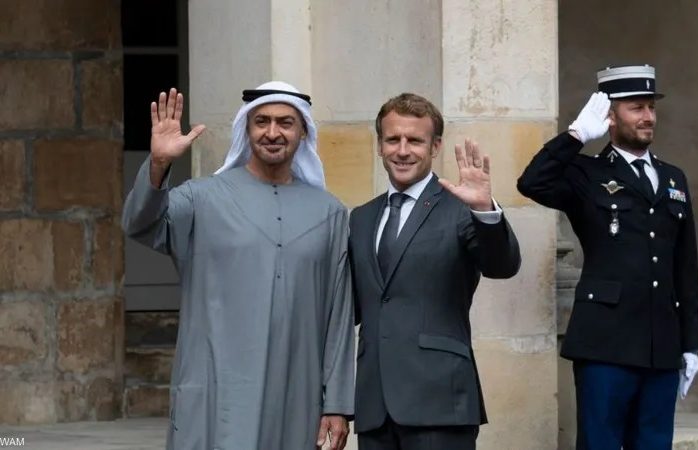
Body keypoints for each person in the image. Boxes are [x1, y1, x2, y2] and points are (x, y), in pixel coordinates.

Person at [122, 81, 354, 450]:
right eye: (261, 121)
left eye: (285, 122)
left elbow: (338, 319)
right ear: (246, 129)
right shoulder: (201, 198)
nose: (272, 132)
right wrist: (159, 164)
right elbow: (140, 224)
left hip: (296, 398)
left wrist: (338, 404)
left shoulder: (330, 214)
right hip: (216, 398)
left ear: (303, 132)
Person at [517, 65, 698, 450]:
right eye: (636, 107)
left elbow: (685, 266)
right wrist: (575, 136)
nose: (648, 117)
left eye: (651, 107)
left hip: (661, 346)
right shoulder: (587, 173)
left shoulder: (673, 178)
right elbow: (531, 182)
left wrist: (691, 343)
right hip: (605, 344)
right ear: (610, 115)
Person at [348, 93, 521, 450]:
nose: (402, 150)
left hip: (441, 402)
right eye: (393, 139)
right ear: (379, 145)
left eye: (415, 140)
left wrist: (485, 210)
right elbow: (350, 307)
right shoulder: (361, 217)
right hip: (374, 407)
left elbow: (502, 265)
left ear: (435, 146)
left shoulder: (461, 208)